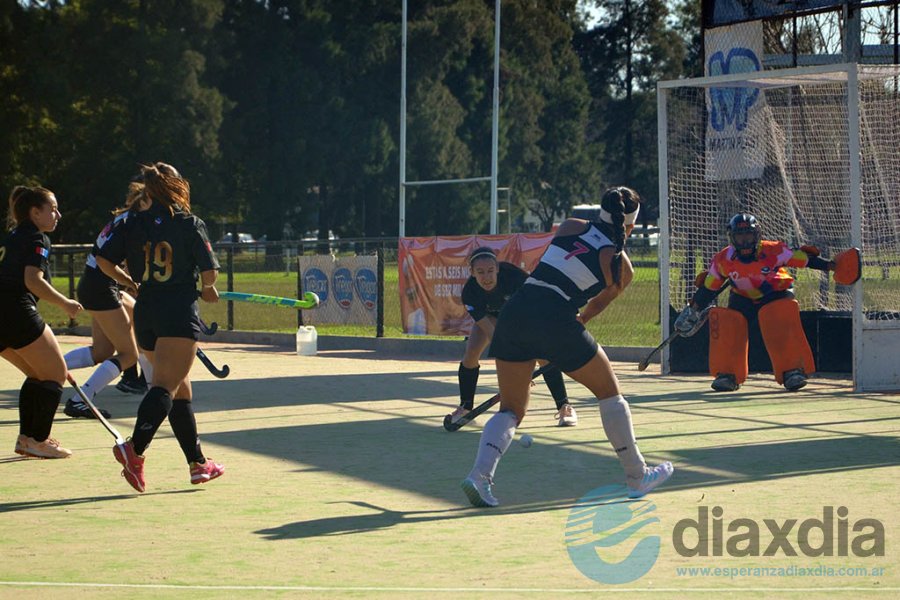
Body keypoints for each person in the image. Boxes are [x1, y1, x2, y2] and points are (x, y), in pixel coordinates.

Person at [460, 187, 674, 507]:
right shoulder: (620, 264)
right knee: (609, 392)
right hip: (557, 315)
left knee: (511, 409)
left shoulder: (572, 225)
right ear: (631, 225)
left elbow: (559, 259)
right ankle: (637, 475)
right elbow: (600, 300)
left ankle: (479, 476)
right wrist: (581, 319)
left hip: (515, 311)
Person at [96, 162, 223, 492]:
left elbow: (104, 261)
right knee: (164, 387)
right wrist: (208, 289)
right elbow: (209, 273)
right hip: (177, 312)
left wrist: (129, 281)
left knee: (180, 389)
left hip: (147, 312)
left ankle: (198, 463)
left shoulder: (131, 223)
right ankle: (134, 449)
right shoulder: (188, 224)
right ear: (175, 186)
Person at [674, 213, 857, 392]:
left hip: (775, 293)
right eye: (740, 236)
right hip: (742, 297)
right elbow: (709, 288)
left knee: (779, 317)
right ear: (732, 238)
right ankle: (728, 374)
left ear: (757, 235)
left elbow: (804, 259)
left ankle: (792, 370)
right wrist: (693, 309)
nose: (745, 241)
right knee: (728, 321)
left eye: (749, 235)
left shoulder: (774, 250)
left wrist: (831, 266)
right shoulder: (723, 261)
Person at [450, 246, 577, 427]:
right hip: (492, 318)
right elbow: (493, 334)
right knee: (471, 354)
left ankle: (564, 406)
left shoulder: (515, 278)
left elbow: (530, 314)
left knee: (542, 355)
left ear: (498, 269)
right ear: (472, 273)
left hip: (524, 315)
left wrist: (523, 365)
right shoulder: (470, 294)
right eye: (480, 272)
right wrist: (517, 370)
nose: (486, 277)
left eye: (490, 271)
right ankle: (466, 408)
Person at [1, 185, 83, 458]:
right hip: (16, 311)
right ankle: (39, 439)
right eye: (53, 209)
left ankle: (27, 439)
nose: (58, 215)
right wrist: (66, 304)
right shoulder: (37, 238)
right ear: (35, 213)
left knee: (38, 375)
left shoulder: (11, 236)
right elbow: (32, 281)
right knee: (56, 373)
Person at [62, 182, 149, 419]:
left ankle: (47, 367)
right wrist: (132, 283)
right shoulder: (134, 223)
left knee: (101, 351)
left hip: (94, 285)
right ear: (145, 202)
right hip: (101, 288)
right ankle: (80, 400)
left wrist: (131, 283)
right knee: (129, 355)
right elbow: (105, 262)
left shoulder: (125, 219)